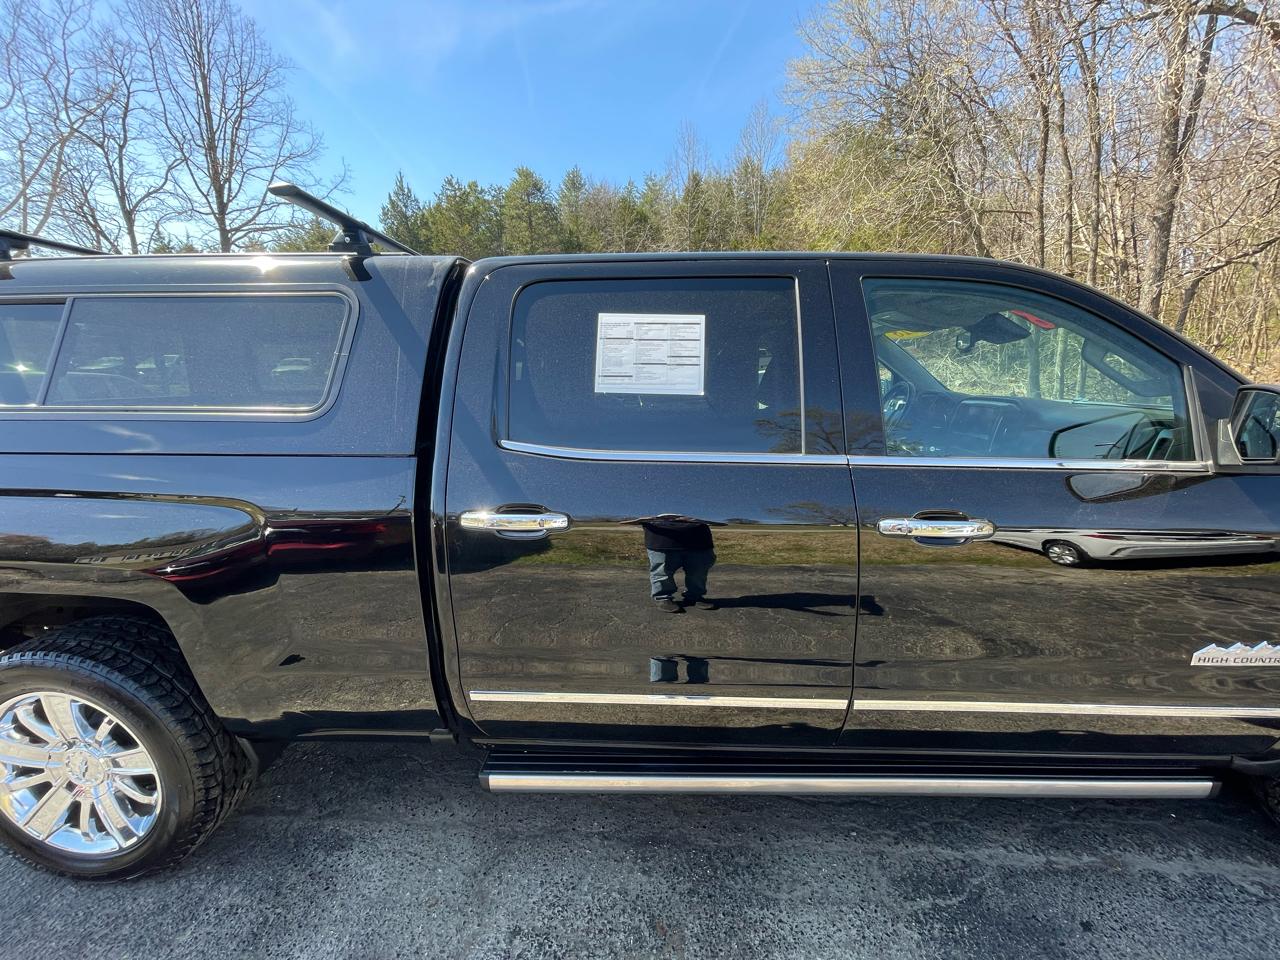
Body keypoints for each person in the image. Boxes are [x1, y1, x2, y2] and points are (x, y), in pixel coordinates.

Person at [632, 515, 718, 613]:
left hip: (698, 540)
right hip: (661, 539)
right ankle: (662, 597)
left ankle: (695, 596)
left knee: (698, 572)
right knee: (662, 572)